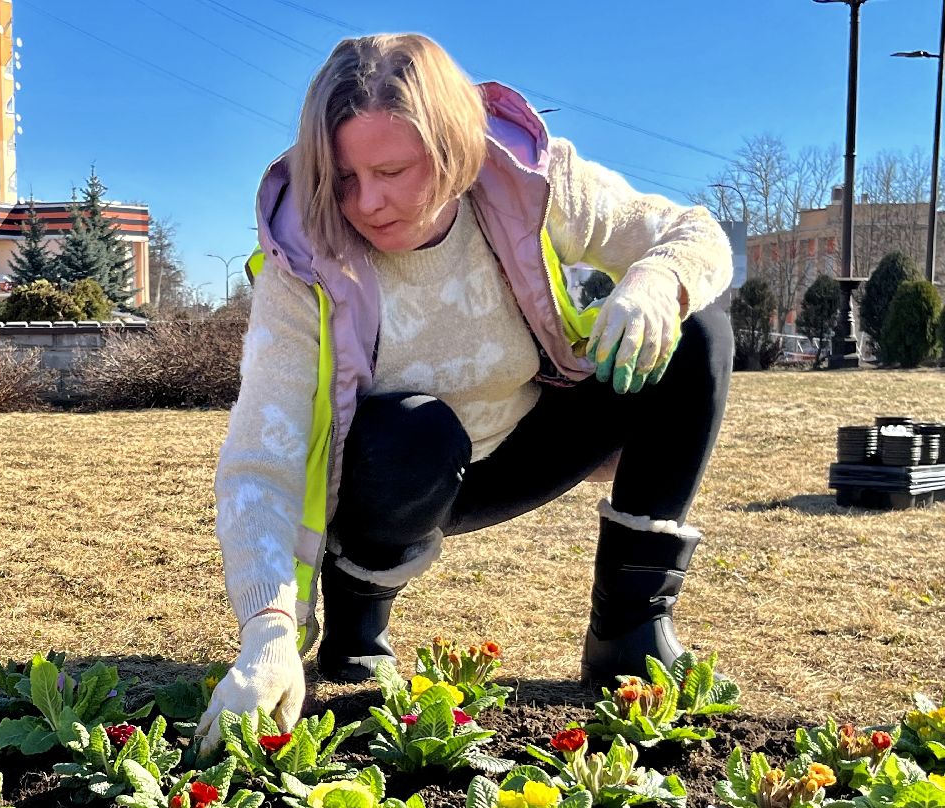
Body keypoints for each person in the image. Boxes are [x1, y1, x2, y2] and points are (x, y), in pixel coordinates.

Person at [191, 33, 733, 758]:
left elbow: (694, 233)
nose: (367, 202)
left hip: (522, 441)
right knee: (417, 431)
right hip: (390, 474)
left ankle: (629, 627)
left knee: (696, 330)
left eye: (391, 170)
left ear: (452, 147)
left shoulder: (530, 180)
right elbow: (263, 457)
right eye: (344, 177)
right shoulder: (305, 257)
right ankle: (359, 614)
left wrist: (656, 282)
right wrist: (269, 632)